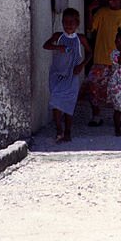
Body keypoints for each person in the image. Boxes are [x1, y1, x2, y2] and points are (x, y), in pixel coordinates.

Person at [42, 8, 91, 142]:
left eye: (71, 22)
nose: (68, 25)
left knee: (69, 104)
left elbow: (90, 53)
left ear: (77, 23)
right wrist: (58, 47)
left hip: (72, 77)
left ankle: (68, 131)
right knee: (56, 102)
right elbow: (46, 45)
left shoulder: (80, 39)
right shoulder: (58, 36)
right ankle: (59, 129)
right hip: (57, 76)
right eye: (65, 22)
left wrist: (81, 65)